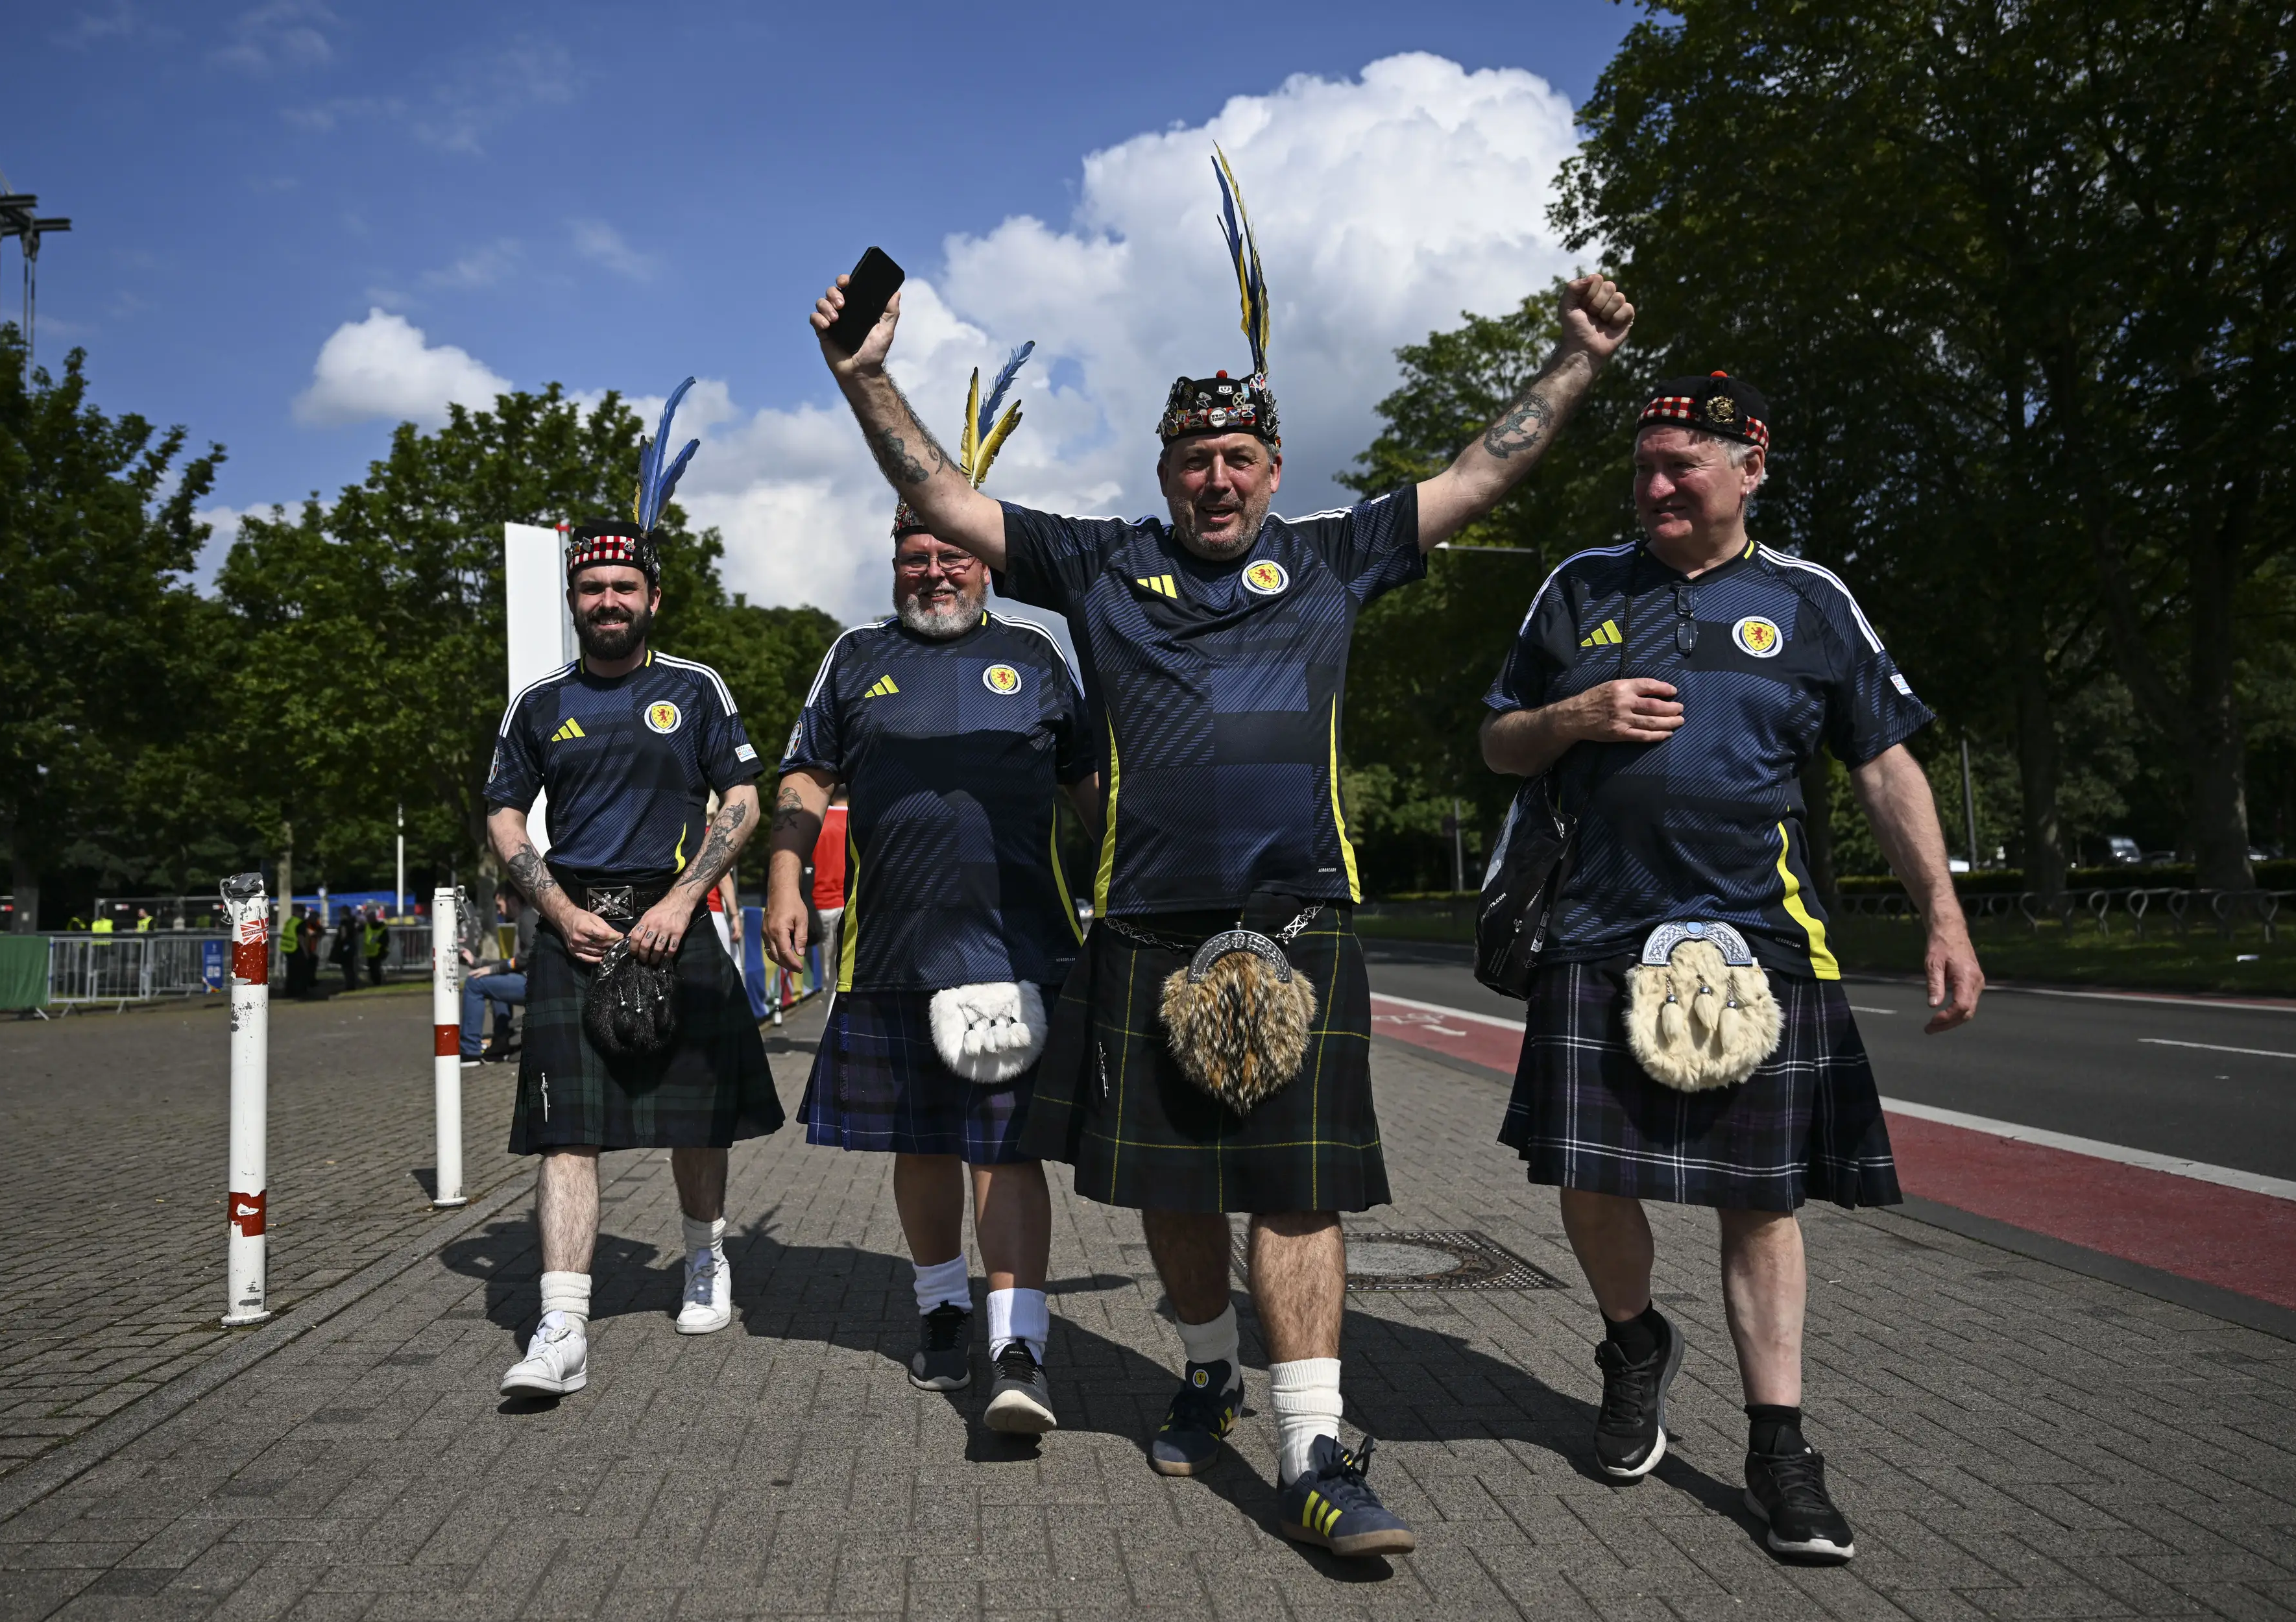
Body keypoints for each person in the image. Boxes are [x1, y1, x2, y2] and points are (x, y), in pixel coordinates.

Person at [810, 152, 1634, 1558]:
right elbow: (947, 503)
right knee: (1177, 1189)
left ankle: (1316, 1442)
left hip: (1299, 914)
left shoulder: (1334, 554)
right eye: (1193, 458)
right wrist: (864, 376)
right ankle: (1206, 1368)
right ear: (1164, 469)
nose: (1217, 478)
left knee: (1295, 1186)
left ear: (1269, 464)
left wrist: (1572, 361)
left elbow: (1483, 471)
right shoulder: (1097, 562)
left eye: (1240, 456)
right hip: (1143, 924)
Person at [1475, 372, 1985, 1563]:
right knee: (1591, 1182)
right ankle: (1636, 1346)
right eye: (1643, 466)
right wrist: (1571, 718)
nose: (1654, 486)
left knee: (1762, 1204)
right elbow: (1499, 740)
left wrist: (1945, 916)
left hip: (1764, 942)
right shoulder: (1580, 587)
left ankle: (1779, 1446)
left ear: (1750, 469)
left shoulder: (1807, 602)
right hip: (1598, 936)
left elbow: (1885, 765)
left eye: (1680, 467)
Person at [764, 353, 1100, 1436]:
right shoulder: (854, 658)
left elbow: (1095, 790)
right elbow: (807, 779)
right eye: (914, 555)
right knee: (919, 1144)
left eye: (951, 552)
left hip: (1022, 947)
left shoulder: (1042, 653)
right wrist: (781, 877)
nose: (934, 571)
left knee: (1006, 1150)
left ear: (984, 561)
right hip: (888, 951)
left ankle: (1019, 1345)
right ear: (895, 564)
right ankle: (940, 1305)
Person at [483, 385, 784, 1398]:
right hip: (575, 923)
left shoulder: (694, 689)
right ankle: (560, 1324)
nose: (607, 602)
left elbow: (742, 799)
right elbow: (503, 815)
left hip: (672, 910)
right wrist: (554, 909)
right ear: (576, 600)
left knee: (694, 1117)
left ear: (653, 597)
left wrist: (686, 896)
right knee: (569, 1126)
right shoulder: (541, 704)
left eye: (624, 587)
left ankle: (704, 1254)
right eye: (592, 589)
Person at [461, 891, 533, 1065]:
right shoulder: (527, 917)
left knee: (474, 983)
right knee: (494, 981)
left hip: (536, 985)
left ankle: (470, 1051)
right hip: (532, 981)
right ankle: (502, 1044)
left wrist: (493, 969)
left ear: (513, 900)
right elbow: (516, 961)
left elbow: (530, 955)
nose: (499, 912)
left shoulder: (527, 918)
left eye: (500, 906)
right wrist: (479, 963)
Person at [810, 787, 849, 998]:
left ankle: (829, 1026)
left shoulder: (818, 821)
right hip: (851, 904)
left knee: (829, 978)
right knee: (846, 974)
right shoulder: (857, 821)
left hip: (822, 904)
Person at [332, 904, 362, 993]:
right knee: (351, 966)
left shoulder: (344, 922)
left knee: (346, 967)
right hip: (352, 945)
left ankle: (349, 984)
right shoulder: (353, 921)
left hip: (346, 946)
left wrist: (340, 942)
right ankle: (352, 983)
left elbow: (343, 934)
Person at [363, 904, 389, 987]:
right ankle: (375, 982)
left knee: (376, 969)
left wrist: (382, 946)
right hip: (370, 952)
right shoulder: (367, 926)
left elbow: (385, 940)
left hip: (379, 951)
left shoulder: (381, 927)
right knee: (372, 969)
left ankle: (377, 982)